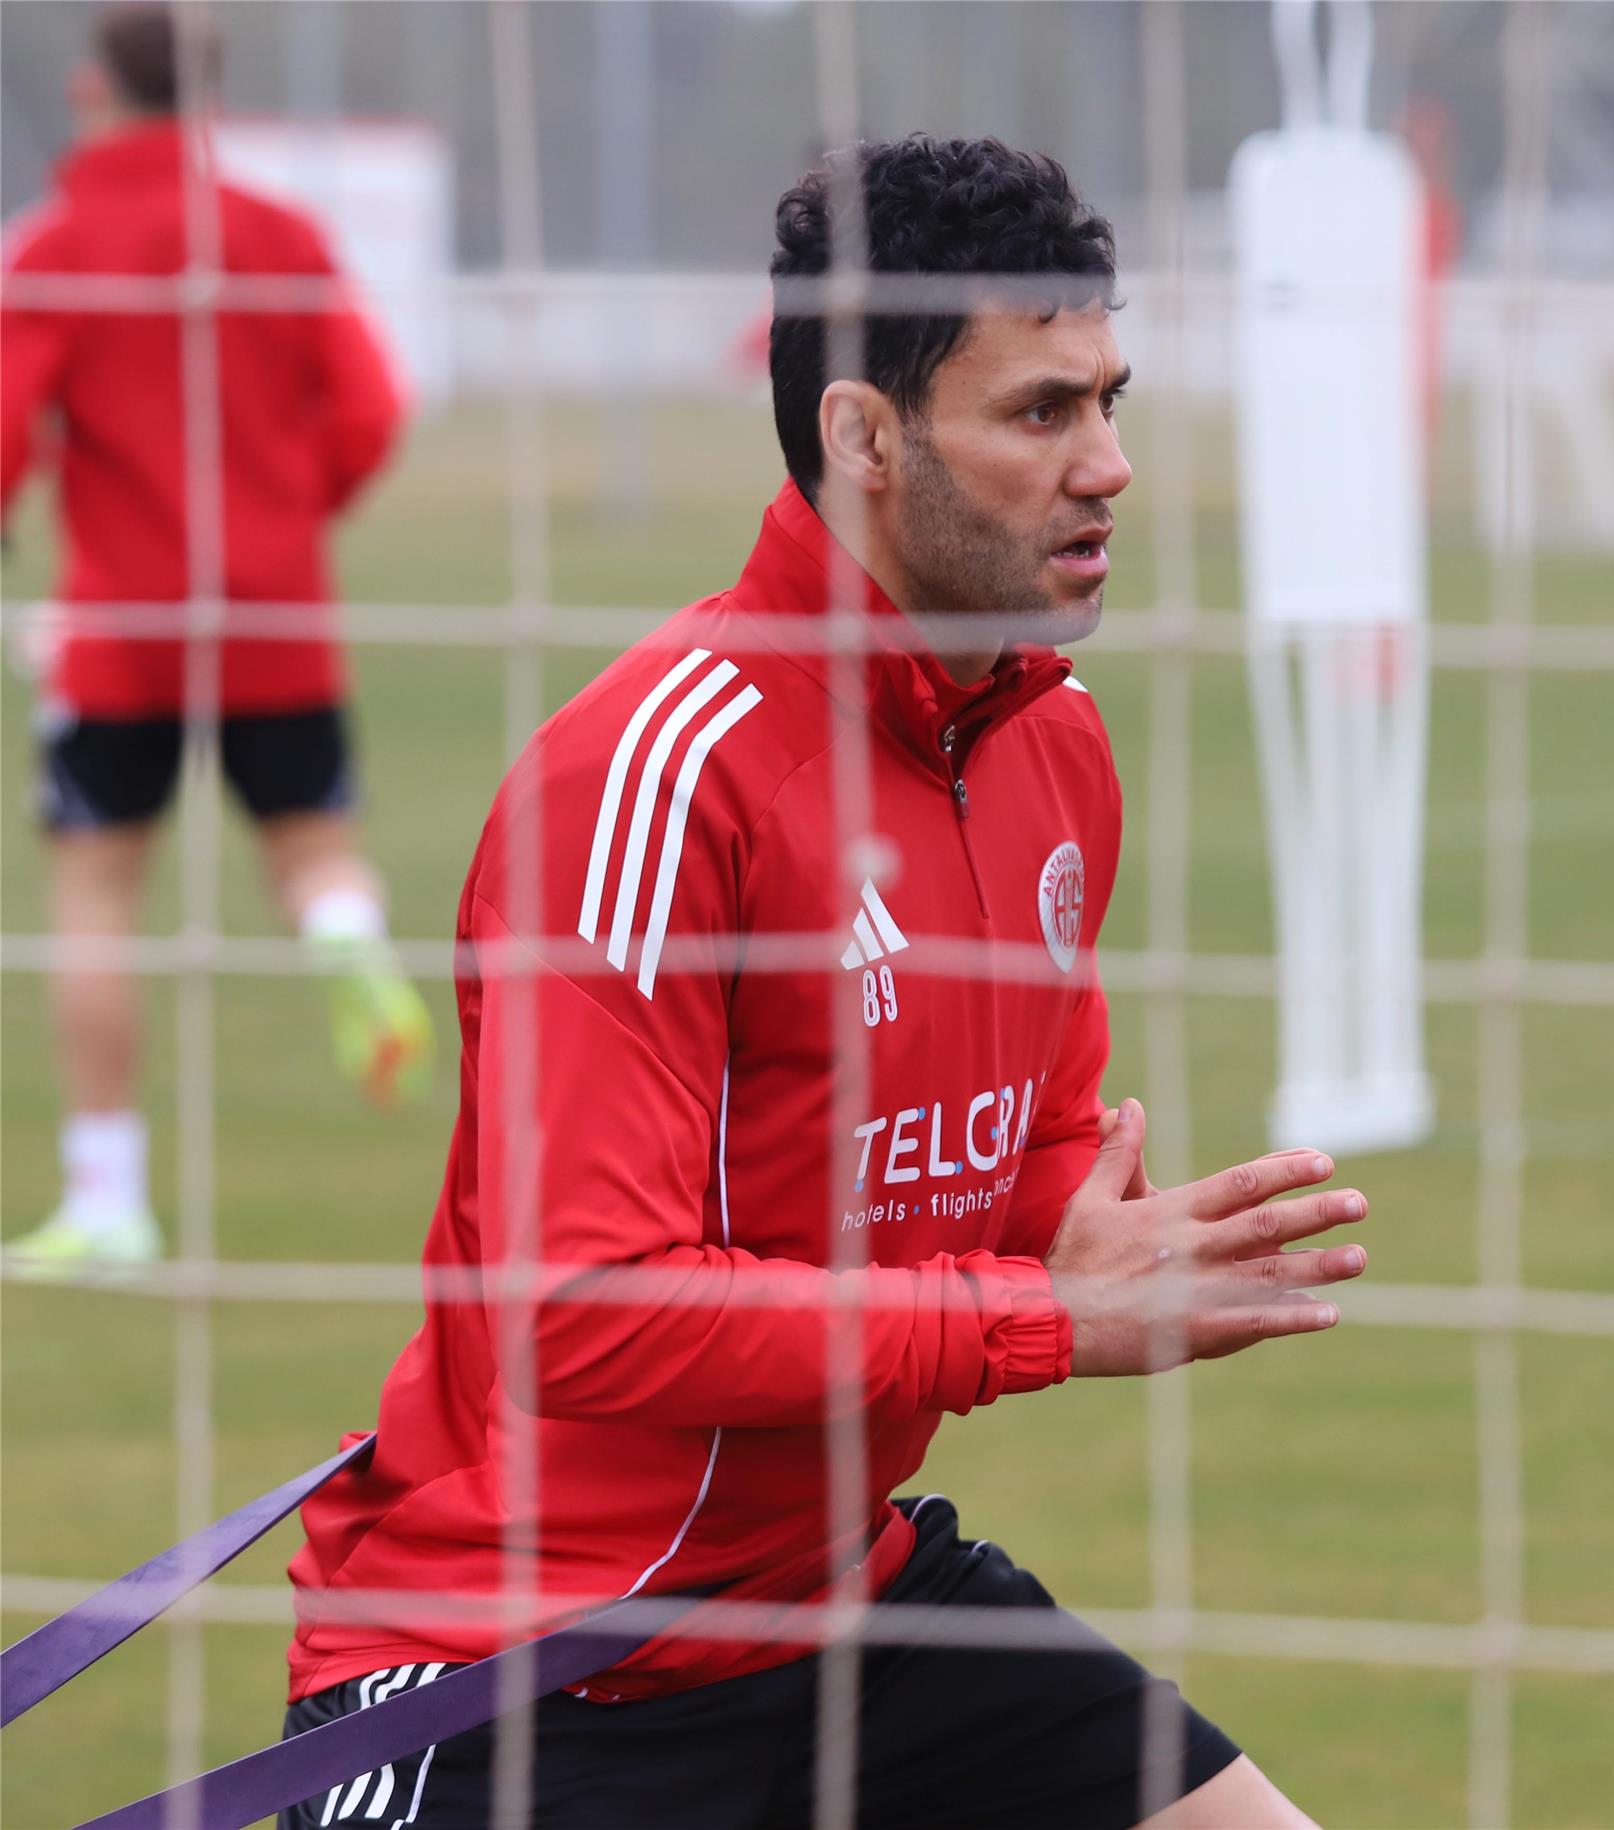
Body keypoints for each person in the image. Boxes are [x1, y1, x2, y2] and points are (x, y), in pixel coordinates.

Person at [280, 137, 1370, 1828]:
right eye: (1040, 413)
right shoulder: (653, 778)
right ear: (863, 436)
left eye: (1108, 400)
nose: (1109, 466)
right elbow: (584, 1315)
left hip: (841, 1605)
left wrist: (1098, 1241)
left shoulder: (1054, 745)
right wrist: (1038, 1316)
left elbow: (1011, 1175)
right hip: (534, 1667)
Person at [0, 4, 432, 1275]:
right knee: (313, 849)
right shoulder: (279, 233)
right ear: (210, 96)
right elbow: (372, 405)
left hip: (123, 622)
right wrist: (287, 516)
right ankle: (342, 929)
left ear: (93, 93)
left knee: (95, 892)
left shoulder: (59, 242)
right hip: (275, 612)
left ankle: (110, 1197)